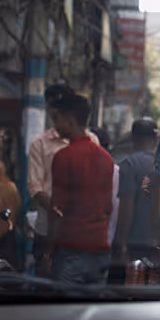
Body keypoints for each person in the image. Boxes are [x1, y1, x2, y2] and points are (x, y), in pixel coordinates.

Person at [43, 93, 115, 284]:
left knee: (66, 311)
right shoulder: (106, 158)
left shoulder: (64, 157)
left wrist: (49, 252)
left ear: (69, 120)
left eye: (57, 119)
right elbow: (108, 207)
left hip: (71, 251)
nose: (55, 125)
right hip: (101, 250)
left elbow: (57, 210)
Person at [27, 84, 99, 273]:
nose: (53, 112)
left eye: (58, 107)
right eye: (51, 106)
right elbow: (35, 188)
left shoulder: (93, 141)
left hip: (81, 233)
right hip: (47, 229)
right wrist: (60, 210)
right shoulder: (39, 145)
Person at [113, 118, 158, 266]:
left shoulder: (129, 164)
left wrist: (120, 242)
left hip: (135, 244)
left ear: (133, 138)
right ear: (156, 139)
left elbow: (127, 206)